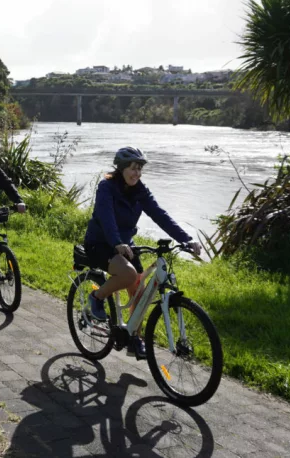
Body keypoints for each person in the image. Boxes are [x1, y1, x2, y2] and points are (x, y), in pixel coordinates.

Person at [83, 146, 201, 359]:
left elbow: (160, 215)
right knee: (128, 274)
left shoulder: (140, 191)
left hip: (125, 245)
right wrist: (117, 242)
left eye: (139, 169)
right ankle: (97, 296)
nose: (136, 173)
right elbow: (107, 218)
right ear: (121, 169)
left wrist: (186, 238)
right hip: (100, 243)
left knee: (139, 290)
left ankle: (133, 337)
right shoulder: (106, 187)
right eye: (132, 168)